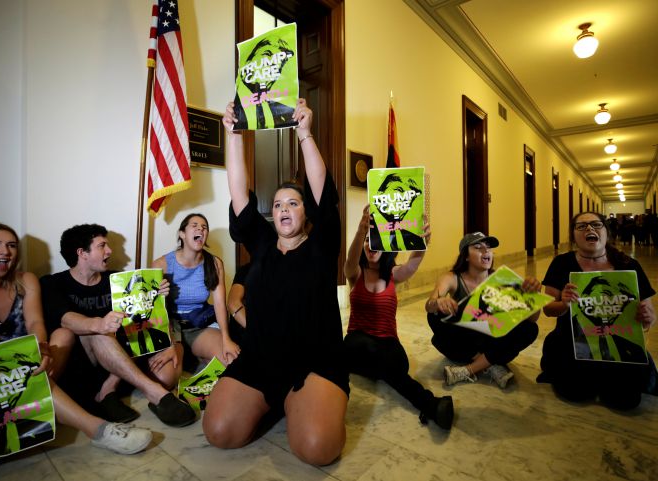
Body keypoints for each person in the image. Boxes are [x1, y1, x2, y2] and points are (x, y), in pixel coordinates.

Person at [0, 223, 152, 480]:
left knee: (60, 337)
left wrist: (41, 350)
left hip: (31, 367)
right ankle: (96, 429)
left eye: (12, 245)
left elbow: (36, 324)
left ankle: (2, 438)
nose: (5, 251)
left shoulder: (24, 281)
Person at [203, 99, 348, 466]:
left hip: (315, 362)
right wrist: (233, 135)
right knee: (218, 432)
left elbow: (322, 194)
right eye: (280, 204)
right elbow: (240, 195)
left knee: (317, 449)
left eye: (294, 203)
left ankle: (302, 403)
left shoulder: (322, 245)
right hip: (261, 358)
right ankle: (276, 402)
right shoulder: (263, 245)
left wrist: (305, 134)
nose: (284, 208)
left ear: (306, 213)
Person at [40, 224, 195, 427]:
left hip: (117, 363)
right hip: (81, 365)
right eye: (102, 245)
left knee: (127, 328)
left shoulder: (117, 280)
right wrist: (100, 324)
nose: (110, 251)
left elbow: (142, 317)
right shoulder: (53, 283)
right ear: (82, 253)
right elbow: (65, 319)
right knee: (97, 331)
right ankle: (155, 393)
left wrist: (155, 296)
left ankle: (108, 390)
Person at [344, 206, 453, 429]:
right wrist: (360, 231)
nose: (371, 245)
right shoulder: (355, 274)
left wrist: (421, 240)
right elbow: (350, 260)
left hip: (386, 344)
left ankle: (429, 404)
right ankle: (429, 403)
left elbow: (414, 260)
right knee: (366, 347)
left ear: (387, 247)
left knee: (397, 365)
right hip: (357, 344)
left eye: (377, 240)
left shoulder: (393, 275)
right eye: (368, 240)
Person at [538, 212, 656, 410]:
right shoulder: (561, 263)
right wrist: (564, 304)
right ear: (573, 236)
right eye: (581, 226)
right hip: (574, 343)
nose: (589, 229)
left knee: (626, 401)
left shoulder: (629, 266)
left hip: (619, 345)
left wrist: (647, 317)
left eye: (595, 224)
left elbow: (649, 318)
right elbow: (548, 310)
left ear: (606, 232)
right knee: (575, 393)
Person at [425, 232, 541, 388]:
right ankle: (490, 363)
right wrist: (438, 302)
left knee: (530, 329)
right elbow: (429, 304)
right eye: (478, 247)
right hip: (464, 341)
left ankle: (468, 370)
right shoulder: (452, 277)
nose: (486, 251)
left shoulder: (502, 280)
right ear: (465, 256)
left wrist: (533, 296)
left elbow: (532, 319)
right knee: (434, 316)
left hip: (491, 339)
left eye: (488, 248)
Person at [151, 213, 239, 368]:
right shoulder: (161, 264)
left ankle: (194, 355)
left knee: (231, 361)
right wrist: (155, 295)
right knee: (166, 377)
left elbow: (219, 304)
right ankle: (188, 355)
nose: (201, 229)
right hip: (171, 327)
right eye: (195, 226)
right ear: (182, 234)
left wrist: (226, 339)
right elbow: (153, 309)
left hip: (199, 326)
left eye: (204, 227)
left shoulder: (214, 263)